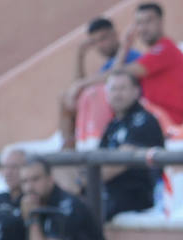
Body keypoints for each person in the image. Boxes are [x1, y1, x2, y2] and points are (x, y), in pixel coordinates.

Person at [59, 17, 141, 150]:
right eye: (95, 42)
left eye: (103, 39)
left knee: (95, 93)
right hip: (111, 113)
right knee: (65, 97)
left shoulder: (132, 57)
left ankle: (92, 146)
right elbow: (77, 92)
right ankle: (67, 150)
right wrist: (80, 56)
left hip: (127, 111)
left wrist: (80, 84)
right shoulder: (106, 65)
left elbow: (113, 76)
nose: (100, 45)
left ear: (115, 34)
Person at [112, 2, 183, 130]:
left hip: (167, 119)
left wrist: (124, 46)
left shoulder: (165, 49)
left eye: (148, 21)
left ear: (161, 22)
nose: (143, 28)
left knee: (103, 93)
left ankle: (91, 141)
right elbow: (115, 76)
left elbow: (117, 74)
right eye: (139, 23)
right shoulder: (154, 51)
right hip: (151, 117)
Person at [98, 70, 166, 220]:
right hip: (110, 192)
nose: (117, 94)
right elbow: (99, 158)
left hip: (137, 195)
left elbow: (122, 160)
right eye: (113, 89)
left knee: (85, 210)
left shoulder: (145, 120)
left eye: (122, 88)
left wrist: (85, 180)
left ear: (136, 92)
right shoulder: (112, 124)